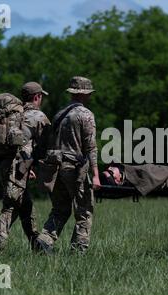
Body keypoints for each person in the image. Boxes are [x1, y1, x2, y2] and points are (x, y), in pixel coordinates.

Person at [35, 76, 101, 254]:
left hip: (55, 167)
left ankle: (44, 239)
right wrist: (95, 174)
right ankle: (78, 251)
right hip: (74, 168)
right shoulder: (85, 115)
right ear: (85, 94)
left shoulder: (59, 114)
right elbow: (90, 147)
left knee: (60, 209)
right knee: (84, 211)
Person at [0, 82, 51, 251]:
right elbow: (46, 147)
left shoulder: (14, 114)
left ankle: (38, 247)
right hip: (18, 168)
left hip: (5, 165)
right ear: (37, 97)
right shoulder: (38, 116)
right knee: (10, 207)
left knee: (26, 206)